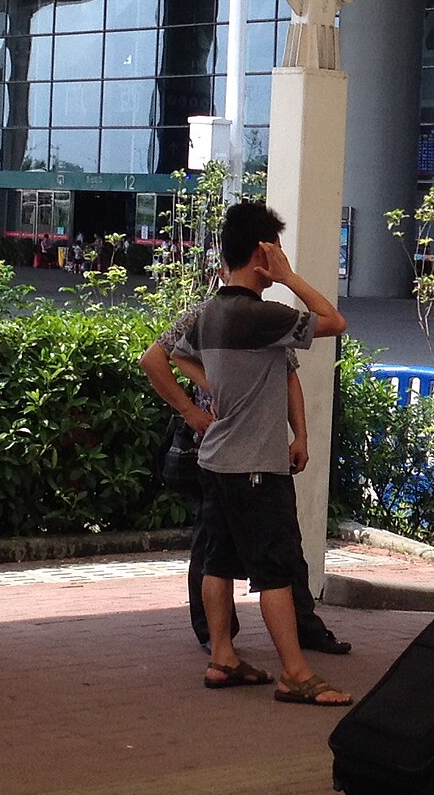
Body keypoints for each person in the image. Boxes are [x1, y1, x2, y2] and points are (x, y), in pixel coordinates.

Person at [150, 201, 351, 706]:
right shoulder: (263, 315)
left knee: (216, 561)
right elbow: (334, 320)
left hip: (215, 460)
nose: (281, 255)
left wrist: (197, 413)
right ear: (263, 252)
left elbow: (158, 357)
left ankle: (223, 657)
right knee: (275, 568)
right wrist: (288, 277)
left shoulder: (209, 314)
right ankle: (296, 673)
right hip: (255, 467)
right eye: (276, 248)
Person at [144, 302, 348, 660]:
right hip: (223, 453)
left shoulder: (268, 316)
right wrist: (191, 410)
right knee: (216, 549)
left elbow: (288, 374)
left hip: (263, 453)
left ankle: (296, 629)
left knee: (274, 543)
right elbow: (156, 358)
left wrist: (299, 435)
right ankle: (219, 637)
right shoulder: (203, 315)